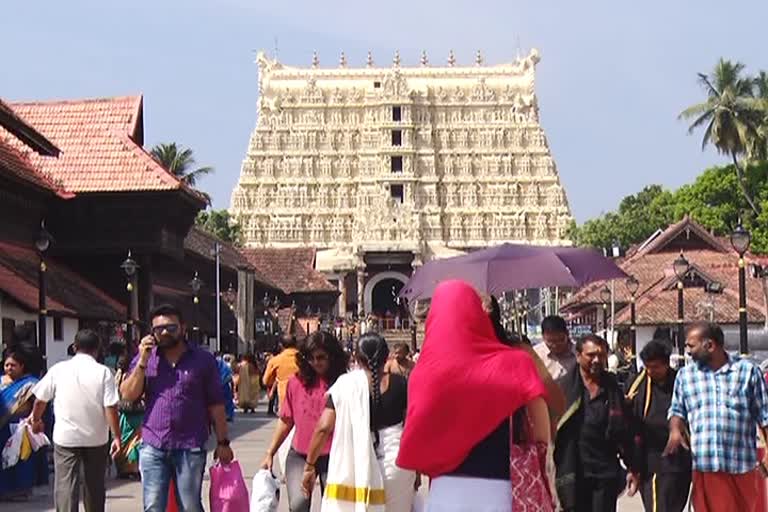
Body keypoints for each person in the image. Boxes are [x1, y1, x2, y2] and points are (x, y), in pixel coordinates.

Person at [397, 280, 550, 512]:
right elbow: (541, 432)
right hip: (501, 490)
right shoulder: (515, 362)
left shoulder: (422, 373)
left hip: (444, 493)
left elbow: (416, 433)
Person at [119, 304, 234, 512]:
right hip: (153, 444)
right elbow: (128, 394)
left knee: (189, 506)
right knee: (153, 506)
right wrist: (142, 362)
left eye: (170, 328)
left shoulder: (203, 360)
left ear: (183, 328)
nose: (164, 333)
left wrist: (223, 442)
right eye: (158, 329)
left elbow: (216, 404)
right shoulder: (147, 358)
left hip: (190, 445)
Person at [302, 332, 415, 511]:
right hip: (397, 466)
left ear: (356, 358)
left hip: (355, 468)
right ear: (386, 357)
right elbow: (412, 428)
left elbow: (323, 428)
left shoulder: (346, 385)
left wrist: (309, 466)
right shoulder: (402, 384)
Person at [665, 321, 768, 512]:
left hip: (740, 468)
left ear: (710, 346)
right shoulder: (685, 376)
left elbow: (765, 416)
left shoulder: (748, 372)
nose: (687, 351)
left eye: (691, 345)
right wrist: (675, 431)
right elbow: (677, 410)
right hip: (705, 467)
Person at [30, 329, 121, 512]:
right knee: (94, 485)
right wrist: (116, 436)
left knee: (65, 484)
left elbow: (40, 400)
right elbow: (110, 407)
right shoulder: (104, 372)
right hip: (96, 437)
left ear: (74, 347)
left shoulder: (58, 369)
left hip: (66, 438)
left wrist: (36, 420)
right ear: (98, 349)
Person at [261, 331, 349, 512]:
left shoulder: (343, 384)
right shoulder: (296, 382)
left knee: (334, 507)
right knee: (298, 504)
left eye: (321, 357)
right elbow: (286, 420)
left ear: (332, 357)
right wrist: (270, 452)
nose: (316, 362)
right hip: (300, 454)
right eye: (311, 358)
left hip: (334, 456)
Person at [554, 334, 639, 512]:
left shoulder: (612, 388)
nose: (597, 360)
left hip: (604, 473)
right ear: (578, 356)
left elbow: (625, 430)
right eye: (591, 355)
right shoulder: (563, 389)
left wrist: (633, 467)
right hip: (573, 471)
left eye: (601, 355)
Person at [626, 339, 691, 512]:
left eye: (655, 367)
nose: (650, 371)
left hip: (681, 462)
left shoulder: (681, 383)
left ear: (666, 363)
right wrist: (633, 466)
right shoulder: (637, 386)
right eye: (647, 366)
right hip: (652, 463)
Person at [0, 349, 40, 502]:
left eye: (13, 365)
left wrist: (34, 419)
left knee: (19, 458)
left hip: (19, 427)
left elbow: (38, 404)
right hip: (2, 427)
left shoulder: (30, 384)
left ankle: (19, 490)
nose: (9, 368)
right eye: (7, 365)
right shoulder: (1, 381)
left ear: (22, 366)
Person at [113, 353, 143, 479]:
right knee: (135, 442)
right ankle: (133, 468)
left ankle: (122, 468)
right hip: (136, 414)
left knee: (124, 441)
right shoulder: (131, 377)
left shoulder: (116, 377)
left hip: (123, 415)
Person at [534, 315, 578, 394]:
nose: (555, 345)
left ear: (567, 334)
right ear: (543, 337)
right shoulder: (535, 355)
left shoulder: (579, 353)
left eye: (560, 340)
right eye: (551, 341)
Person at [264, 336, 300, 413]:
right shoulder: (303, 359)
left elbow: (266, 381)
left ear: (281, 345)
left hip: (284, 399)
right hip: (302, 398)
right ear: (296, 344)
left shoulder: (275, 360)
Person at [217, 354, 236, 422]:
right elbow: (230, 377)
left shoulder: (220, 366)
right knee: (227, 402)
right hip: (225, 387)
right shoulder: (227, 367)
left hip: (218, 386)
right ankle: (228, 415)